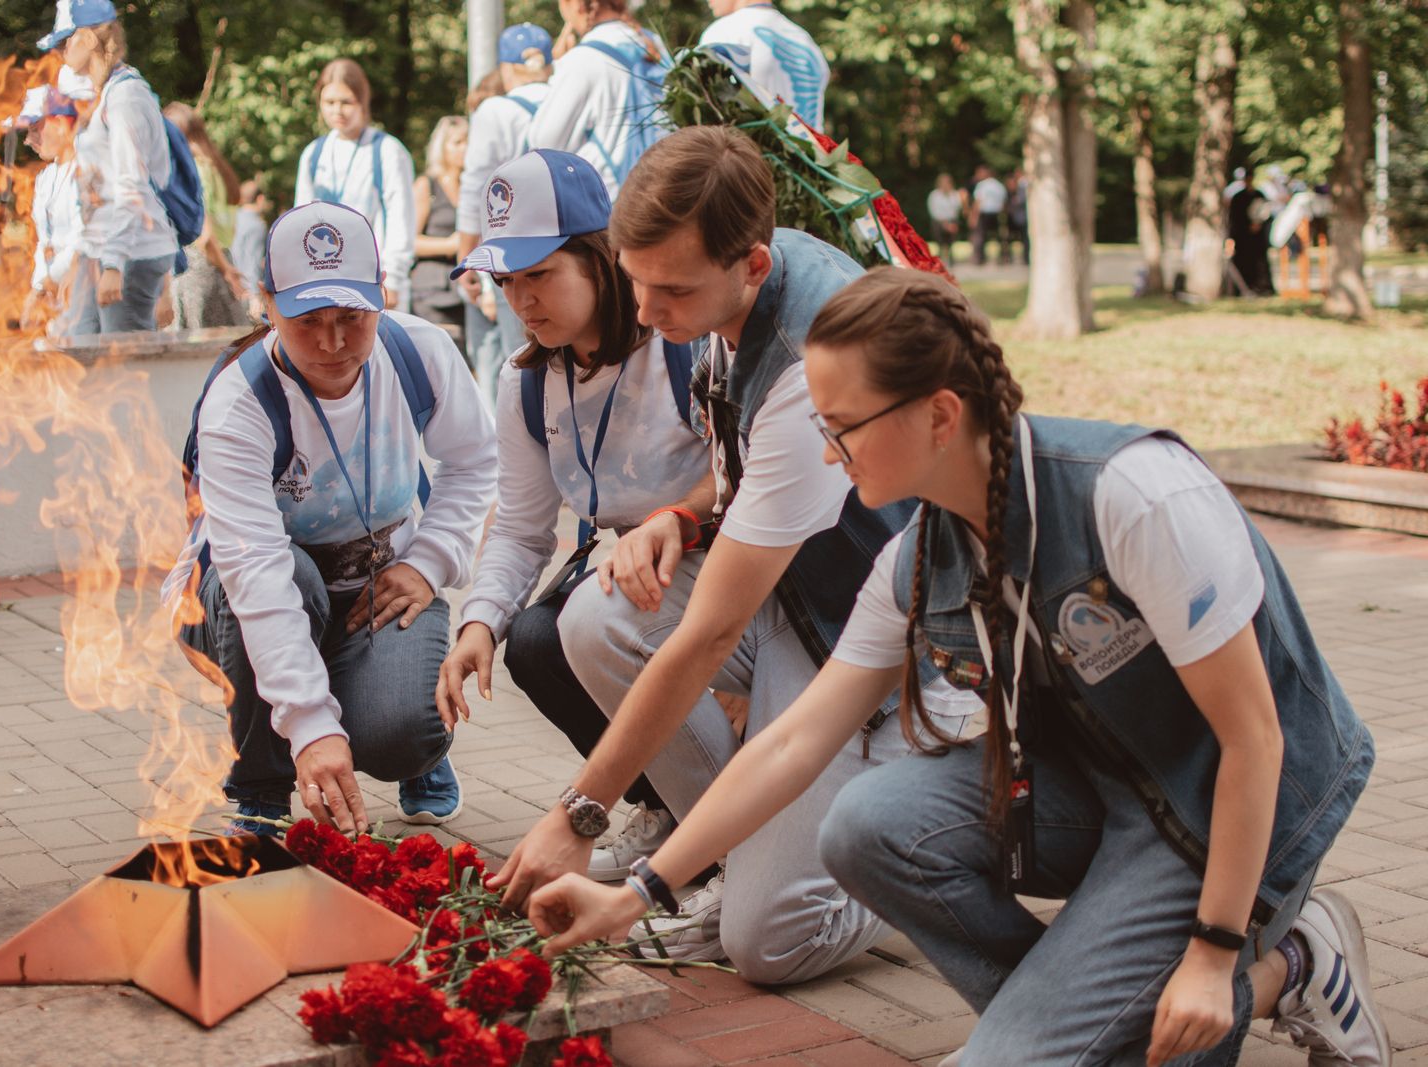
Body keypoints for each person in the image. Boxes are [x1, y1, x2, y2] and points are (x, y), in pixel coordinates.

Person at [531, 267, 1386, 1067]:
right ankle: (1080, 1018)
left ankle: (1284, 961)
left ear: (940, 415)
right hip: (1107, 791)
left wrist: (1214, 951)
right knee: (866, 824)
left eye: (842, 427)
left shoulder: (1133, 495)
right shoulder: (920, 553)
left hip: (1236, 801)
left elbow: (1257, 738)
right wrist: (640, 890)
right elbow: (794, 742)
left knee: (1040, 1045)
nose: (830, 453)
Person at [486, 126, 976, 983]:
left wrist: (580, 811)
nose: (642, 314)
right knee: (597, 616)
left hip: (883, 650)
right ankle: (724, 858)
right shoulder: (734, 275)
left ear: (751, 265)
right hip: (803, 601)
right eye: (635, 282)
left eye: (667, 291)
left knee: (770, 945)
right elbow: (747, 468)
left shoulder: (806, 363)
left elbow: (710, 634)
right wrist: (682, 512)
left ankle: (912, 847)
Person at [166, 201, 496, 835]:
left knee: (400, 729)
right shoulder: (239, 400)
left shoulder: (420, 352)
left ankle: (412, 748)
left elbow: (475, 463)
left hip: (383, 582)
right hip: (251, 596)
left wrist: (428, 564)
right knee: (290, 580)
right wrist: (312, 726)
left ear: (382, 297)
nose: (333, 342)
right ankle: (261, 781)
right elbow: (256, 574)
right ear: (267, 303)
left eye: (352, 317)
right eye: (307, 320)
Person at [438, 149, 710, 883]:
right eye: (506, 281)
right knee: (531, 637)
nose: (521, 300)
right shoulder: (528, 381)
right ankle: (666, 805)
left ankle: (720, 818)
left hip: (725, 555)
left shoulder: (684, 344)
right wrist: (477, 622)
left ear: (602, 257)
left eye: (539, 274)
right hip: (641, 572)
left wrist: (680, 517)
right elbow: (524, 529)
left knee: (588, 620)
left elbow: (754, 470)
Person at [47, 0, 178, 334]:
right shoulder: (106, 93)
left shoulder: (126, 97)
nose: (61, 52)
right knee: (83, 357)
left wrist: (114, 266)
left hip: (131, 253)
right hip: (102, 251)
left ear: (89, 39)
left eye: (65, 42)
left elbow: (131, 188)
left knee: (125, 371)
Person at [457, 23, 554, 382]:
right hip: (571, 245)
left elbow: (475, 185)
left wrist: (466, 254)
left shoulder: (495, 110)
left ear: (506, 68)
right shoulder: (565, 97)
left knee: (527, 358)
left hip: (514, 249)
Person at [295, 59, 415, 314]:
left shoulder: (387, 151)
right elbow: (300, 221)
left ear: (362, 101)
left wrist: (393, 278)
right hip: (324, 282)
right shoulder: (313, 153)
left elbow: (400, 219)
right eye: (329, 102)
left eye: (346, 102)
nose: (337, 110)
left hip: (374, 281)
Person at [525, 0, 670, 201]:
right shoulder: (654, 44)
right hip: (664, 189)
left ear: (575, 4)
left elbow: (542, 142)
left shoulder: (584, 58)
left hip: (612, 204)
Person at [164, 102, 249, 330]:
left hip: (201, 264)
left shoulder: (194, 172)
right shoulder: (214, 167)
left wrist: (225, 270)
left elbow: (203, 229)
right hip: (221, 259)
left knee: (198, 351)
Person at [698, 0, 831, 129]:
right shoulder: (804, 39)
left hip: (749, 149)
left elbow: (707, 109)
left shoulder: (724, 31)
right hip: (811, 149)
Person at [20, 86, 85, 337]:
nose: (29, 139)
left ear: (60, 122)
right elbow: (43, 242)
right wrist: (38, 287)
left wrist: (47, 283)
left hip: (83, 293)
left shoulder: (87, 167)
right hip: (54, 302)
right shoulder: (45, 178)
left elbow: (84, 236)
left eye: (35, 129)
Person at [411, 115, 467, 347]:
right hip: (432, 290)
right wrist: (450, 245)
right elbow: (409, 242)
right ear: (442, 147)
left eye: (469, 142)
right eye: (457, 142)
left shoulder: (472, 187)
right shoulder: (427, 185)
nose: (465, 149)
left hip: (465, 292)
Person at [230, 178, 270, 320]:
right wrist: (255, 296)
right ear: (260, 199)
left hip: (230, 287)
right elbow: (253, 260)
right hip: (247, 290)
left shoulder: (233, 218)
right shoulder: (257, 225)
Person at [969, 164, 1006, 267]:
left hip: (984, 213)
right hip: (996, 214)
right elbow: (1003, 204)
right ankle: (1002, 258)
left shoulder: (982, 185)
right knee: (997, 238)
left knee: (980, 237)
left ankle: (979, 259)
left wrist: (974, 217)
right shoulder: (1000, 186)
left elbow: (978, 202)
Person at [926, 172, 964, 266]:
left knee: (952, 232)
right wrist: (945, 224)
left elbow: (958, 210)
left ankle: (950, 256)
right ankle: (941, 255)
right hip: (939, 222)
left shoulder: (955, 195)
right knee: (939, 236)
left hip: (952, 221)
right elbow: (934, 212)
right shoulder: (934, 195)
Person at [1004, 167, 1029, 265]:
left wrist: (1012, 203)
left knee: (1025, 238)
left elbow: (1021, 200)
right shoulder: (1021, 185)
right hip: (1018, 216)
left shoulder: (1023, 185)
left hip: (1021, 216)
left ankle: (1026, 258)